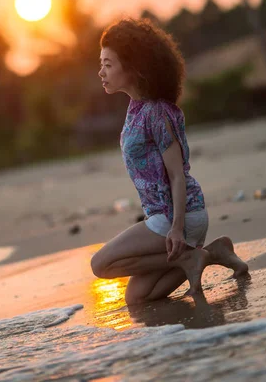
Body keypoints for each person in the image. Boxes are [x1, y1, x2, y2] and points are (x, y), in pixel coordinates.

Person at [91, 18, 249, 304]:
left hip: (179, 216)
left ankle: (190, 256)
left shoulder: (156, 113)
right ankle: (213, 254)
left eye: (108, 64)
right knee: (137, 298)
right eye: (101, 64)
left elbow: (177, 175)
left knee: (101, 265)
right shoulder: (136, 109)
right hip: (165, 217)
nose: (101, 71)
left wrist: (176, 228)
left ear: (134, 67)